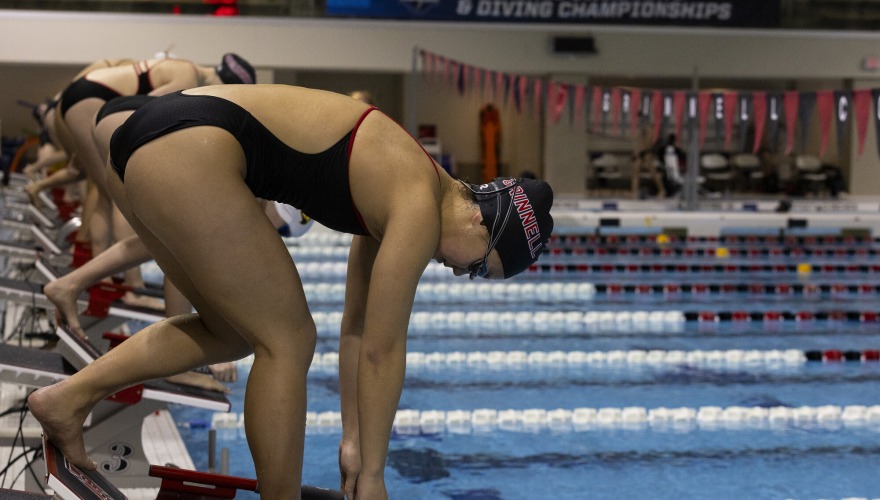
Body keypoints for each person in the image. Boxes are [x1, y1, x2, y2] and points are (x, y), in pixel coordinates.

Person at [28, 84, 554, 499]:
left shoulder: (409, 188)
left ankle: (67, 399)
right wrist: (373, 476)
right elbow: (383, 348)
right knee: (290, 339)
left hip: (155, 138)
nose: (462, 274)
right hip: (192, 146)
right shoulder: (418, 203)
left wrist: (353, 443)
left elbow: (357, 325)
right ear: (483, 223)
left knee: (229, 332)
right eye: (481, 268)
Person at [54, 53, 255, 261]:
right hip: (90, 100)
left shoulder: (185, 67)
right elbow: (145, 115)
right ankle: (127, 285)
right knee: (120, 199)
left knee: (104, 195)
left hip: (83, 96)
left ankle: (91, 265)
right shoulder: (189, 78)